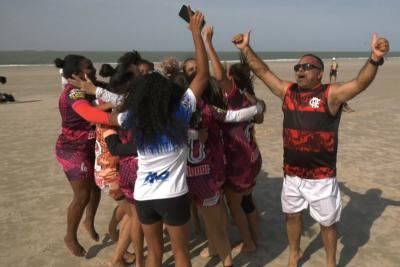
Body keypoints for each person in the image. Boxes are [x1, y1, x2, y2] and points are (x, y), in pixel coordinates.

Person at [232, 31, 389, 267]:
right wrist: (245, 49)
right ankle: (294, 254)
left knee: (327, 223)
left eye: (307, 66)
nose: (300, 70)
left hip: (322, 177)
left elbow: (360, 83)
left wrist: (375, 58)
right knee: (293, 217)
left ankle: (330, 261)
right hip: (292, 174)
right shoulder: (288, 92)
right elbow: (263, 72)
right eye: (297, 66)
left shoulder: (330, 94)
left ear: (320, 73)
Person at [112, 10, 208, 267]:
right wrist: (196, 34)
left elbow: (112, 116)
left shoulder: (134, 119)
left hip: (144, 196)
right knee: (181, 255)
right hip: (173, 195)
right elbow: (202, 76)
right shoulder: (179, 114)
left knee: (154, 255)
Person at [204, 25, 264, 254]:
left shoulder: (237, 97)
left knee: (235, 205)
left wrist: (208, 42)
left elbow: (218, 75)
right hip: (251, 156)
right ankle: (255, 237)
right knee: (247, 200)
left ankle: (248, 243)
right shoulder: (251, 99)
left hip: (239, 159)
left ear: (232, 80)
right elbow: (259, 118)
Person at [54, 55, 114, 257]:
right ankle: (70, 236)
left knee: (95, 188)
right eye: (89, 68)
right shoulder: (73, 93)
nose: (94, 70)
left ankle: (89, 220)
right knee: (81, 196)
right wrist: (120, 115)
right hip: (72, 150)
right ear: (76, 74)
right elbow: (90, 115)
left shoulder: (91, 84)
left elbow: (115, 89)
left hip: (90, 146)